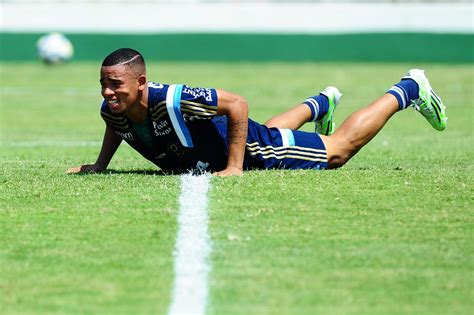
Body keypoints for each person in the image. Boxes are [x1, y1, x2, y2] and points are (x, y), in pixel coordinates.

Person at [66, 48, 447, 176]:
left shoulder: (171, 99)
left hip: (249, 148)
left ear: (141, 82)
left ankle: (409, 88)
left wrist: (234, 167)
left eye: (116, 84)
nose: (108, 92)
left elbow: (237, 105)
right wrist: (100, 164)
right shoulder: (112, 110)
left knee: (337, 151)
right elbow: (117, 126)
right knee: (270, 133)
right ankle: (321, 103)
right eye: (104, 83)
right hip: (225, 142)